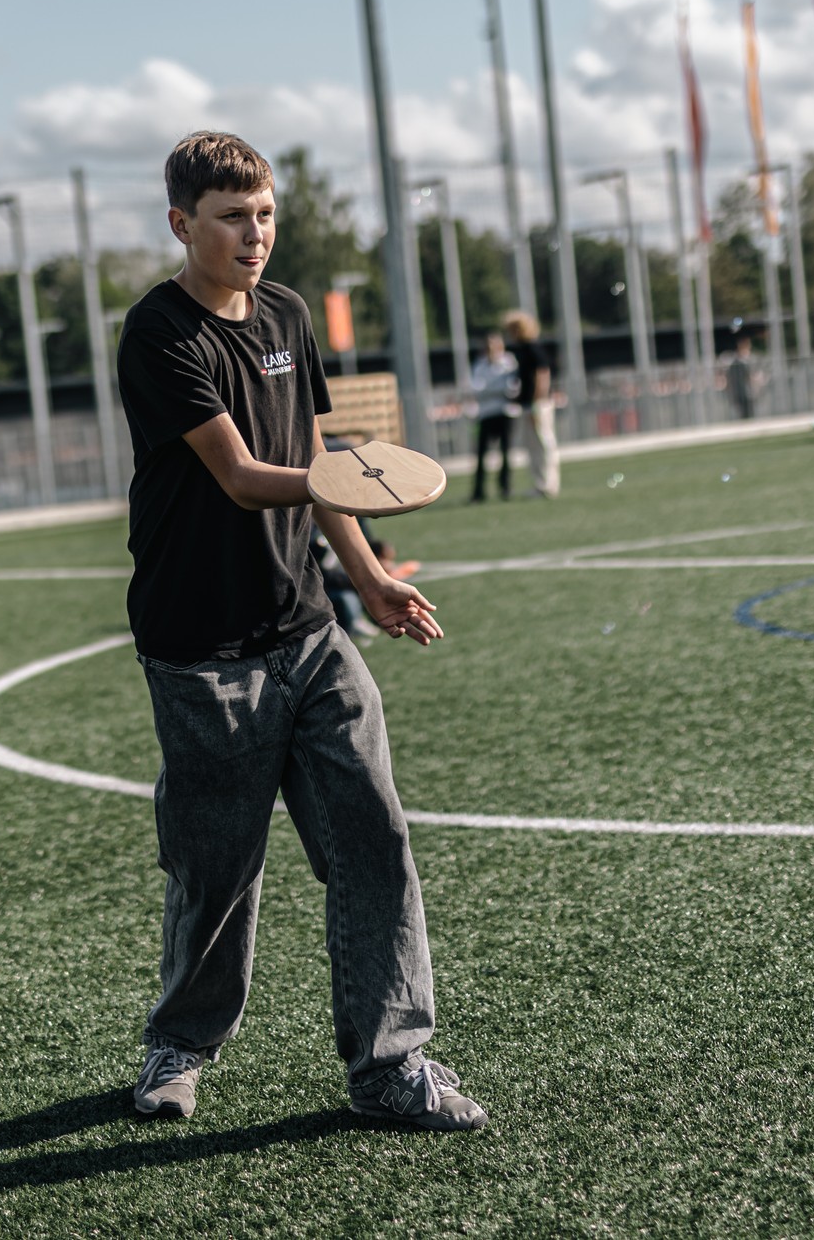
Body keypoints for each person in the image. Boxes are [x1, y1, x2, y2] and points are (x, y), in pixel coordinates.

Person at [117, 131, 483, 1131]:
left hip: (309, 630)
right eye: (232, 217)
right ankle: (178, 1048)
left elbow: (304, 446)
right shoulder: (158, 334)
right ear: (181, 224)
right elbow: (240, 476)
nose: (254, 235)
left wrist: (364, 574)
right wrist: (358, 473)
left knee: (372, 839)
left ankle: (389, 1067)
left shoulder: (283, 313)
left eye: (264, 215)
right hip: (201, 653)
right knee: (217, 869)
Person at [506, 310, 560, 498]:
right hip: (529, 403)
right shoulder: (521, 348)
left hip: (538, 403)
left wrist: (537, 402)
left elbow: (542, 375)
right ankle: (540, 484)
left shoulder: (532, 347)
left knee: (542, 443)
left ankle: (547, 484)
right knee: (533, 446)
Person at [469, 330, 519, 502]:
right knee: (481, 454)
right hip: (486, 414)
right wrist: (496, 389)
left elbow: (512, 389)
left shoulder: (508, 363)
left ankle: (505, 487)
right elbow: (476, 389)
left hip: (505, 412)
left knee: (506, 452)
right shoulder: (480, 365)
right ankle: (478, 491)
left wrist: (491, 390)